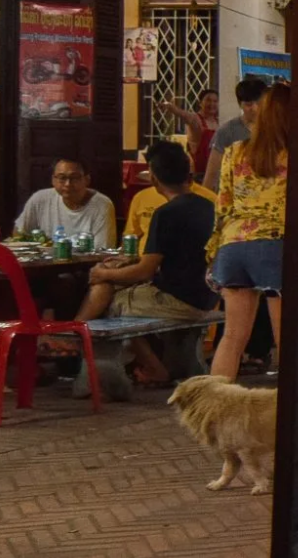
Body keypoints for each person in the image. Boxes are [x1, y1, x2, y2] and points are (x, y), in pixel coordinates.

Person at [208, 84, 298, 378]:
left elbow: (222, 204)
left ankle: (213, 407)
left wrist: (213, 249)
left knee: (233, 338)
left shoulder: (235, 152)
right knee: (287, 340)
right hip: (275, 248)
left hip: (233, 246)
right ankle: (291, 415)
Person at [78, 142, 216, 384]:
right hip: (206, 295)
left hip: (178, 300)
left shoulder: (165, 213)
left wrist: (104, 274)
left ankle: (75, 338)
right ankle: (76, 336)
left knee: (108, 299)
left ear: (153, 178)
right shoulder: (208, 206)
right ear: (189, 175)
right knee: (113, 287)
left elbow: (144, 271)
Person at [17, 158, 116, 247]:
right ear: (53, 180)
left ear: (87, 179)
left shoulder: (102, 205)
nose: (68, 184)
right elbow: (19, 233)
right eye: (62, 178)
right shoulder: (39, 199)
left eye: (74, 178)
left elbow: (103, 251)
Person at [204, 76, 268, 193]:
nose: (254, 108)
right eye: (248, 104)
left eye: (258, 103)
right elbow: (211, 173)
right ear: (240, 104)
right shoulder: (227, 131)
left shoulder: (274, 130)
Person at [158, 89, 219, 184]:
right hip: (199, 174)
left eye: (215, 101)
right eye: (208, 100)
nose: (212, 104)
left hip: (215, 173)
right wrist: (168, 106)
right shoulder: (195, 119)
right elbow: (182, 114)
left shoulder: (218, 122)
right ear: (200, 103)